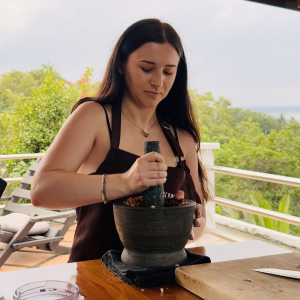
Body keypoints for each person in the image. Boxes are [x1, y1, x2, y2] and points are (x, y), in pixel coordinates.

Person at [30, 18, 211, 263]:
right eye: (147, 68)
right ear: (121, 65)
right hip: (95, 278)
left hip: (161, 282)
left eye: (169, 71)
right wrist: (127, 181)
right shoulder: (94, 116)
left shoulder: (183, 139)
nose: (158, 81)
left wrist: (186, 222)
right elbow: (42, 191)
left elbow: (198, 226)